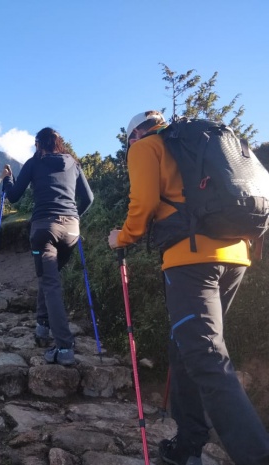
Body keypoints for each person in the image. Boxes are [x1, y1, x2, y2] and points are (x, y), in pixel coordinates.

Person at [108, 111, 269, 465]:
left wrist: (121, 237)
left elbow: (145, 203)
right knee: (185, 346)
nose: (128, 145)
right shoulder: (204, 141)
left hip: (191, 260)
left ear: (135, 132)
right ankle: (188, 446)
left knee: (206, 356)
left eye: (127, 139)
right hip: (236, 255)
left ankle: (257, 456)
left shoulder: (145, 147)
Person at [1, 127, 94, 366]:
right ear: (58, 143)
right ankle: (42, 325)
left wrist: (7, 179)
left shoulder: (34, 163)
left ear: (38, 144)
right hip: (72, 230)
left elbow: (13, 196)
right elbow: (89, 198)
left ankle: (64, 346)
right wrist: (75, 217)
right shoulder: (73, 163)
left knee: (50, 282)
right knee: (48, 275)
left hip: (44, 229)